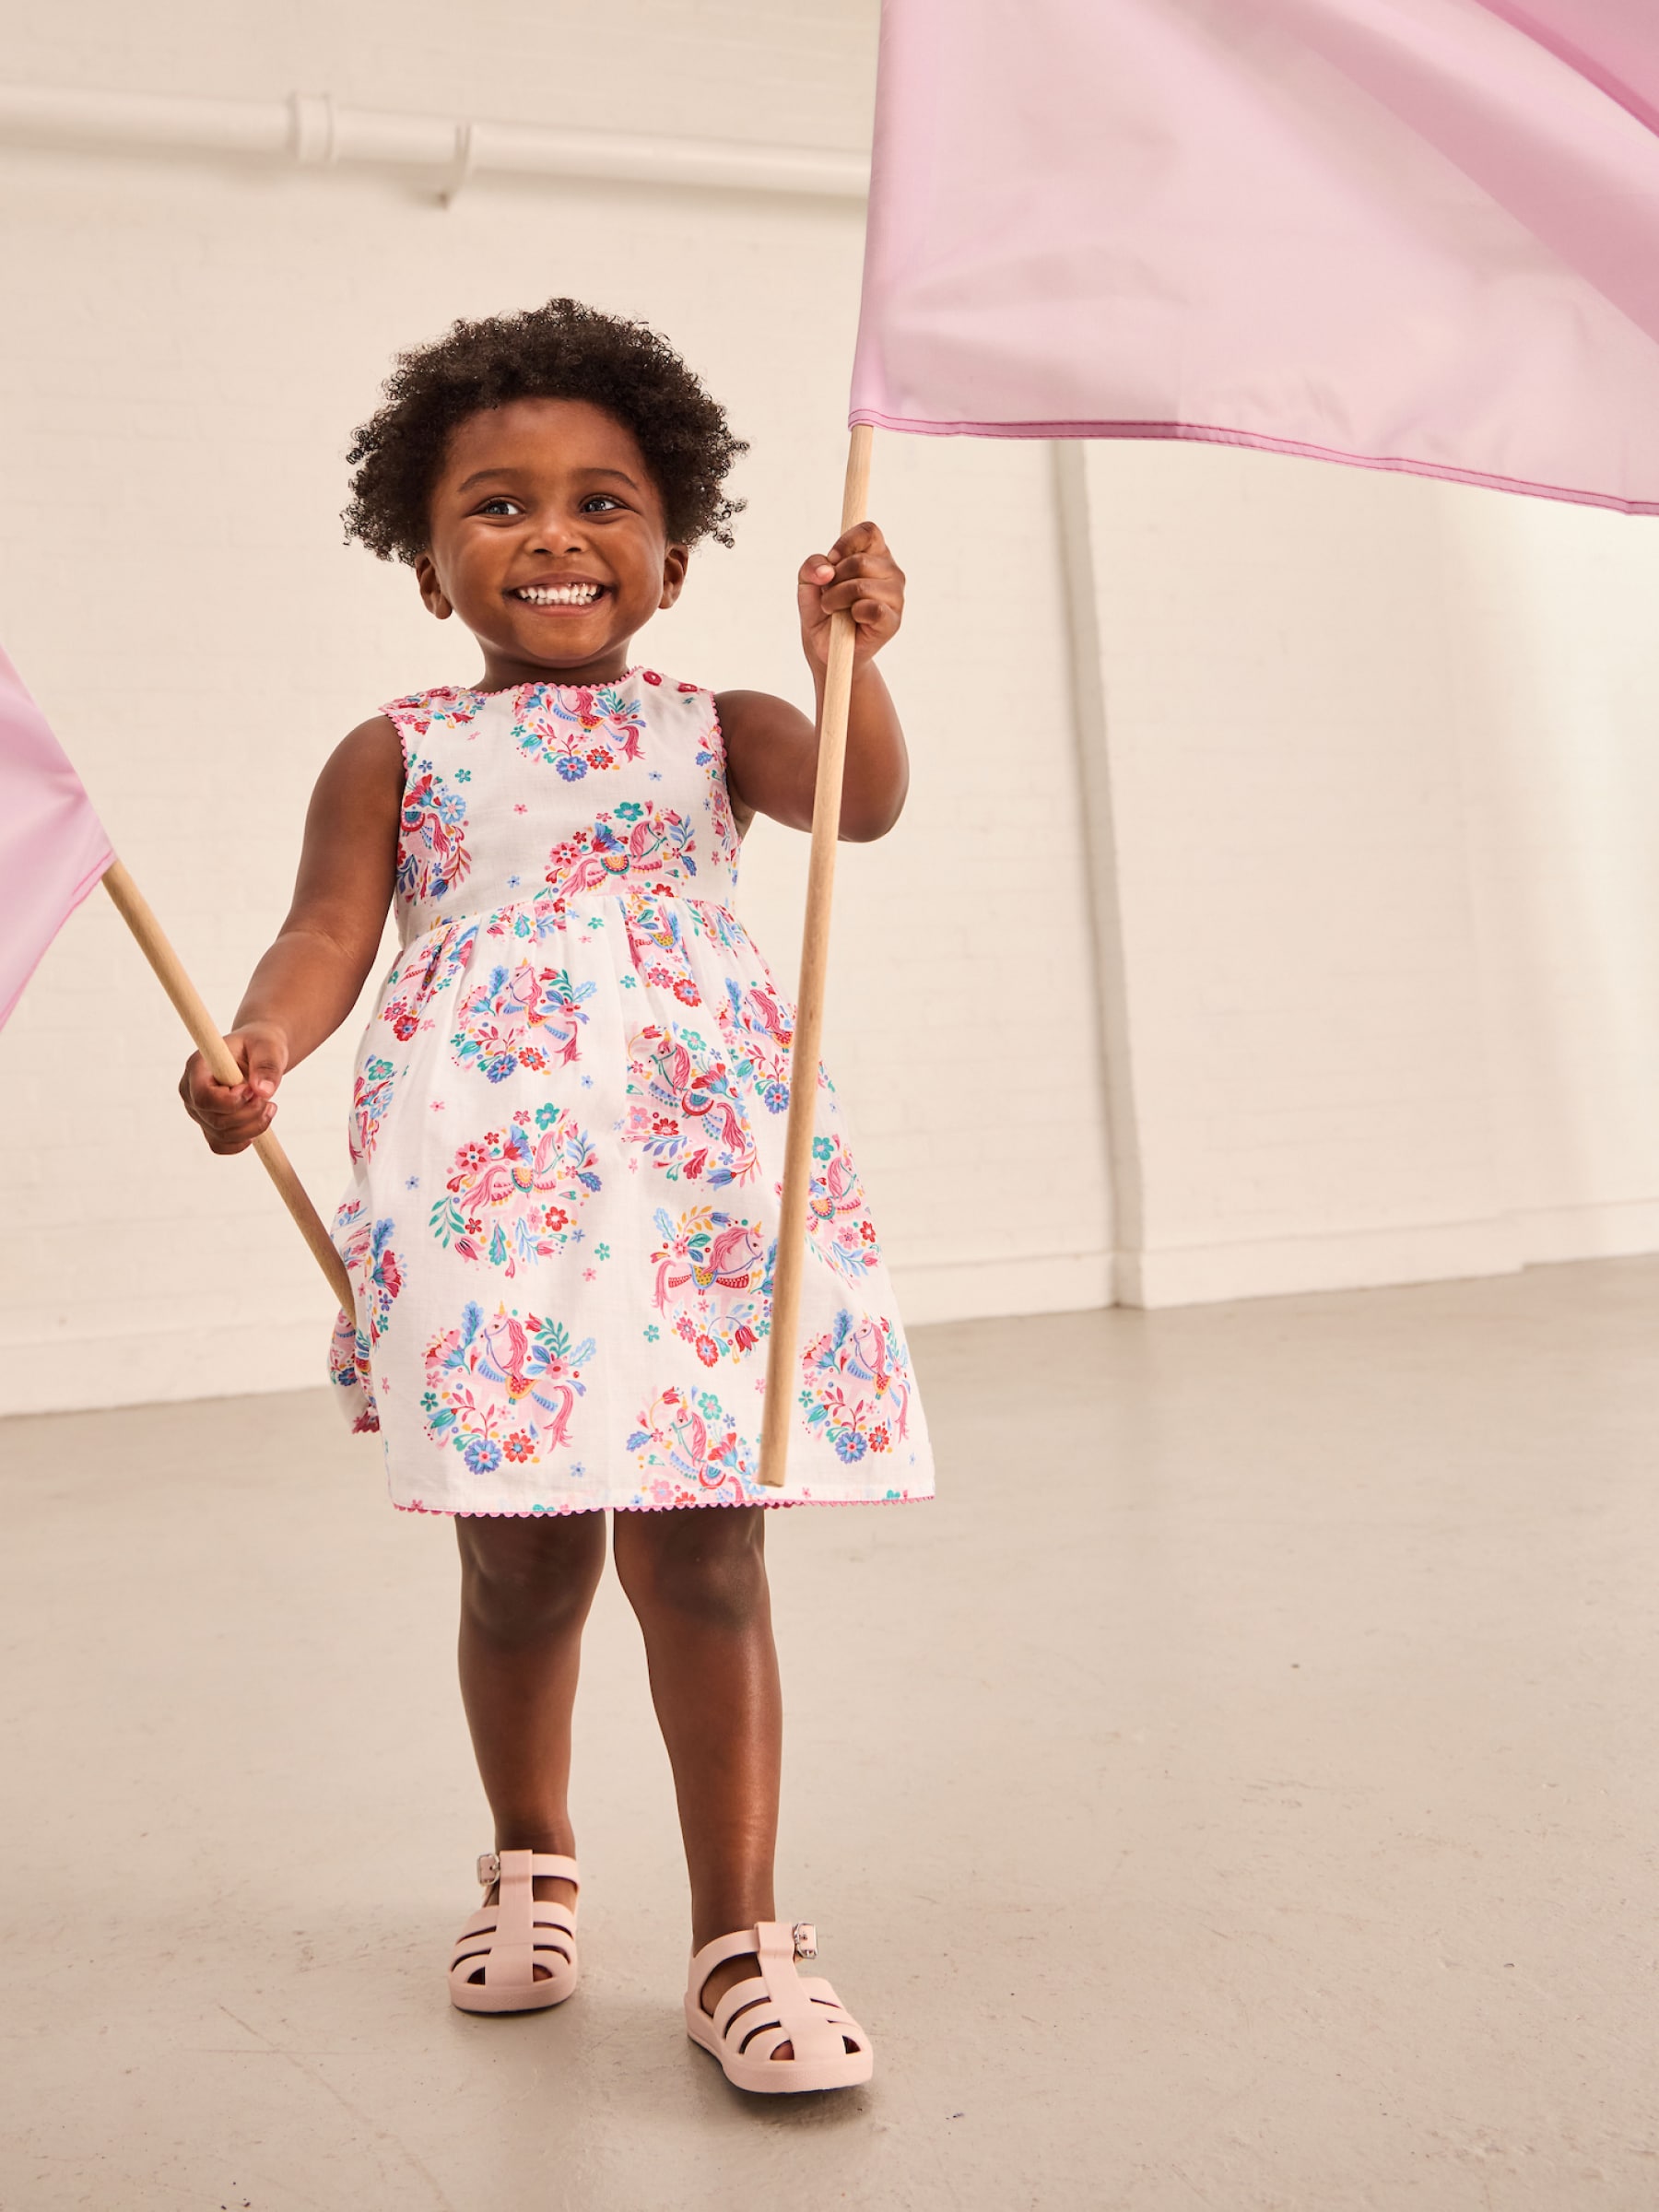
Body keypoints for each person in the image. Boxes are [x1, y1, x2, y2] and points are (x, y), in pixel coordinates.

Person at [179, 299, 933, 2094]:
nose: (555, 536)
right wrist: (260, 1043)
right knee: (521, 1570)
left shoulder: (721, 724)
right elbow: (327, 933)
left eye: (604, 502)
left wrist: (849, 662)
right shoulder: (399, 748)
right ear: (431, 562)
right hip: (490, 1204)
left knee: (709, 1555)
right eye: (499, 506)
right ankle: (531, 1857)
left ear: (673, 557)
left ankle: (738, 1936)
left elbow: (866, 802)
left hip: (700, 1190)